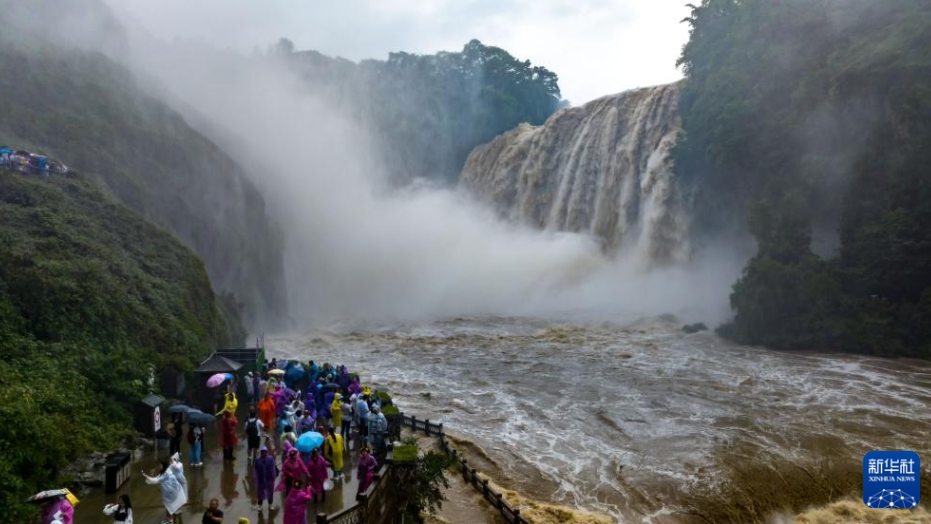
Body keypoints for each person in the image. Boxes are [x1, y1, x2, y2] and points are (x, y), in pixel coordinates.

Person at [143, 455, 187, 524]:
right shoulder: (167, 471)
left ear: (163, 465)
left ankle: (170, 520)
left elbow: (157, 480)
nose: (159, 466)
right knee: (169, 506)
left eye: (160, 465)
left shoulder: (166, 473)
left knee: (169, 507)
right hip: (171, 493)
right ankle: (168, 519)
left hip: (170, 494)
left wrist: (147, 477)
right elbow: (158, 478)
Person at [253, 446, 278, 511]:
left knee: (270, 492)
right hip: (261, 479)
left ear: (266, 452)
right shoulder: (257, 460)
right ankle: (260, 505)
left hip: (269, 479)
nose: (263, 453)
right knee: (260, 493)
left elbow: (273, 467)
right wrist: (255, 477)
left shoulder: (270, 459)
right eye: (262, 452)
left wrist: (273, 475)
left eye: (264, 452)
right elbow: (255, 469)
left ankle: (270, 505)